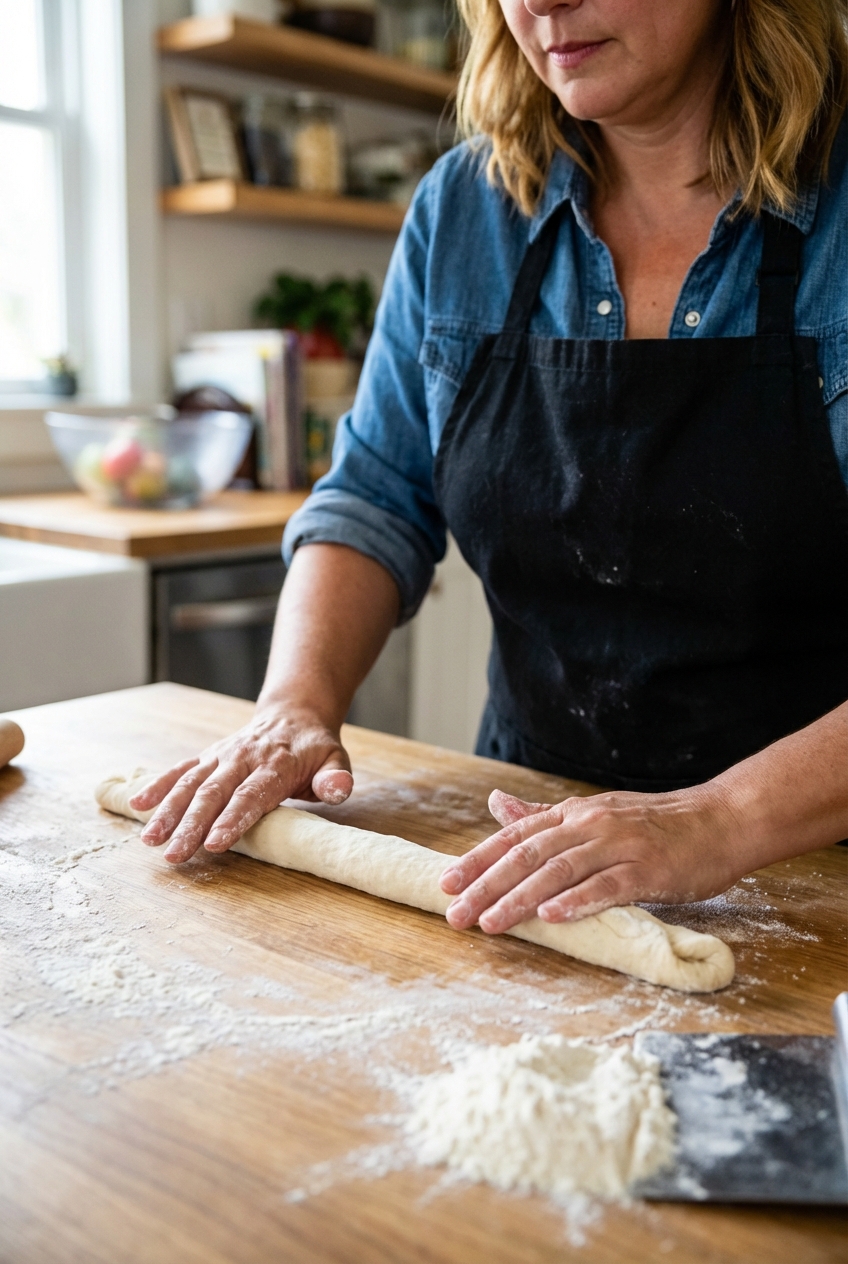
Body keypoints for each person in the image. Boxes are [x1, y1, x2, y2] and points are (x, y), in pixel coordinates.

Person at [134, 0, 848, 939]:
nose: (542, 1)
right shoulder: (464, 210)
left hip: (818, 876)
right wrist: (294, 704)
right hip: (527, 861)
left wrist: (718, 818)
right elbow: (375, 494)